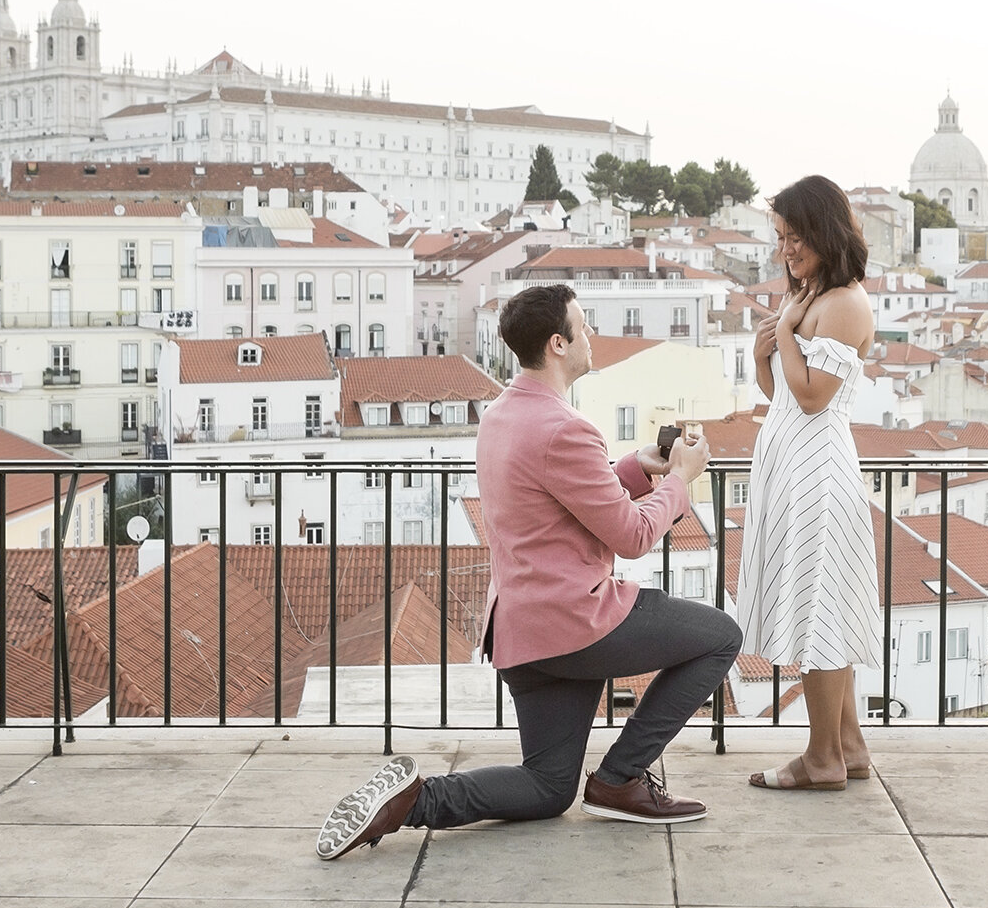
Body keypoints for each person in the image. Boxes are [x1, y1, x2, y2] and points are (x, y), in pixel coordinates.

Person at [316, 282, 742, 859]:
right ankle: (621, 779)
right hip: (578, 621)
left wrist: (635, 468)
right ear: (558, 343)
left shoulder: (499, 415)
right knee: (722, 636)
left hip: (522, 628)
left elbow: (556, 496)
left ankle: (413, 802)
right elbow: (634, 535)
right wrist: (679, 479)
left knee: (547, 786)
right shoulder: (567, 427)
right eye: (584, 327)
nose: (592, 337)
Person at [736, 174, 880, 789]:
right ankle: (847, 745)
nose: (786, 250)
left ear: (826, 232)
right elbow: (780, 394)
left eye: (796, 237)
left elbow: (814, 396)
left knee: (824, 610)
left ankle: (820, 759)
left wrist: (787, 334)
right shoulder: (812, 295)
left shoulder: (842, 303)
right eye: (781, 238)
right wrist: (760, 354)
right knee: (824, 602)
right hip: (795, 467)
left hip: (820, 472)